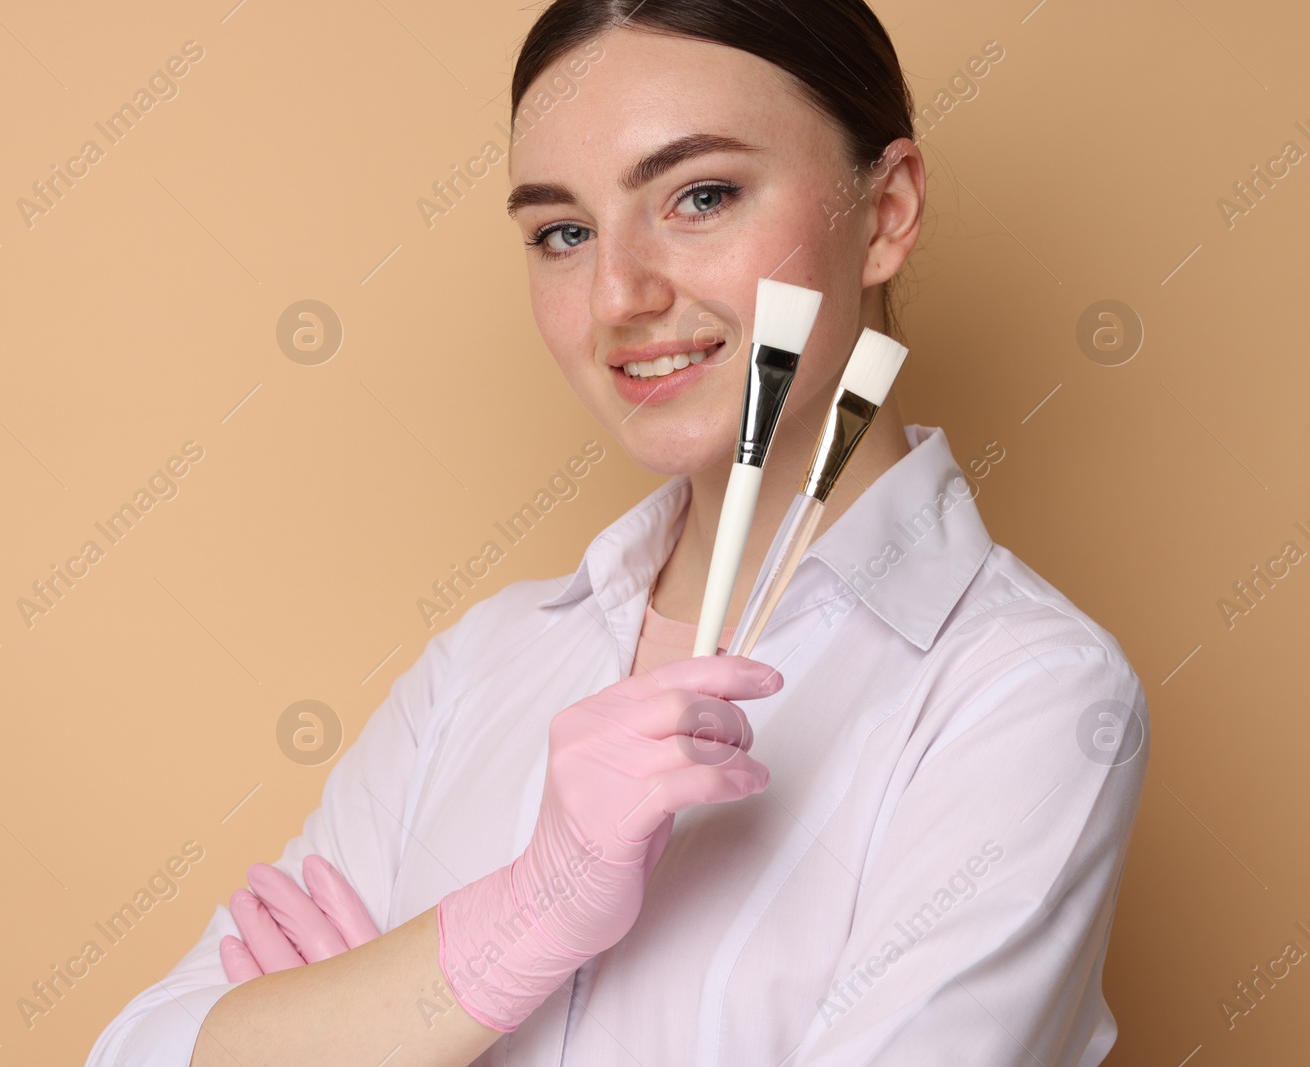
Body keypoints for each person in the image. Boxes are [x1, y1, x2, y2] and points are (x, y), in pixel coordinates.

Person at [86, 1, 1150, 1064]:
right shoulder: (481, 666)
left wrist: (380, 1017)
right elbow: (137, 1052)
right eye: (563, 231)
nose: (617, 294)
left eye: (700, 195)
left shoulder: (1024, 694)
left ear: (885, 213)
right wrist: (522, 915)